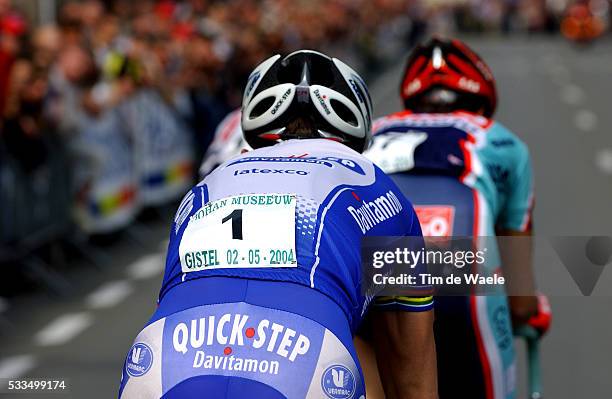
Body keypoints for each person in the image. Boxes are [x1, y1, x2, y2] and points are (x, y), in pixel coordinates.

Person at [118, 50, 437, 399]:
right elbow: (410, 370)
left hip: (167, 354)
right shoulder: (375, 184)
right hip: (306, 357)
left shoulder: (206, 186)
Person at [363, 38, 550, 399]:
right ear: (482, 101)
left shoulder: (373, 130)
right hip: (462, 264)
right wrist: (527, 311)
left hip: (374, 263)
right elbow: (521, 298)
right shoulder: (502, 141)